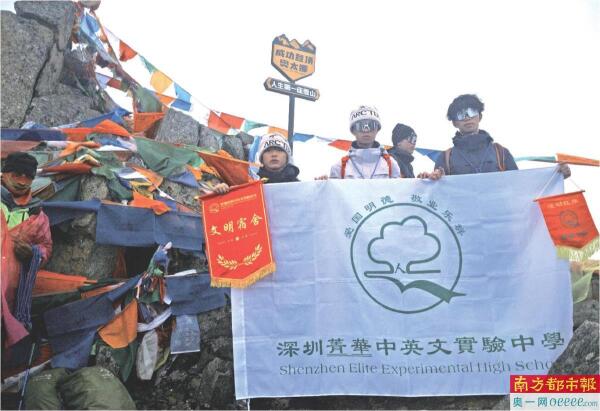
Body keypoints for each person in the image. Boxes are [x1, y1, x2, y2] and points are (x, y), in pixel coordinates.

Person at [434, 94, 570, 178]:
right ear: (454, 123)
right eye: (461, 115)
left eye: (472, 112)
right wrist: (430, 179)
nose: (467, 118)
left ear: (480, 117)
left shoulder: (501, 153)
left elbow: (520, 185)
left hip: (500, 216)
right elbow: (436, 195)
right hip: (462, 217)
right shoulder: (445, 158)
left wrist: (556, 176)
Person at [1, 152, 53, 347]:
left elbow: (46, 247)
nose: (22, 181)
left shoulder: (37, 213)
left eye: (28, 176)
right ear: (4, 173)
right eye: (16, 174)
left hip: (10, 295)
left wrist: (33, 253)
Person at [329, 105, 401, 179]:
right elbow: (332, 186)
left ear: (377, 129)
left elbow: (399, 186)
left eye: (371, 125)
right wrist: (323, 183)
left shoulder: (391, 164)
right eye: (360, 126)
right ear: (353, 131)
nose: (366, 130)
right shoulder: (339, 167)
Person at [212, 132, 299, 194]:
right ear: (261, 158)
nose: (274, 154)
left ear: (287, 157)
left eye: (279, 150)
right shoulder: (250, 183)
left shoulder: (299, 188)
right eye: (268, 151)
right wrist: (223, 191)